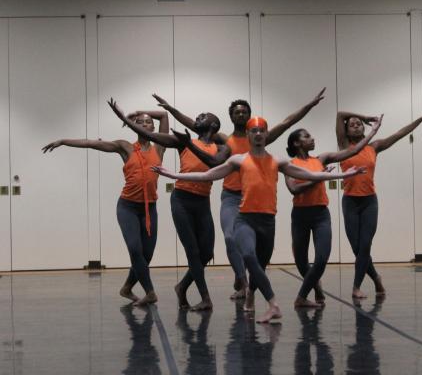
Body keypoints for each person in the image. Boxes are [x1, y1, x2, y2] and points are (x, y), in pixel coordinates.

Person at [152, 116, 366, 323]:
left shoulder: (277, 161)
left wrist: (342, 176)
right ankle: (273, 304)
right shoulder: (239, 160)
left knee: (260, 266)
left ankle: (251, 293)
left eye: (262, 131)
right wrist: (175, 176)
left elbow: (313, 175)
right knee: (249, 256)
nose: (258, 134)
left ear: (266, 134)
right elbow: (208, 175)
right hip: (245, 219)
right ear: (248, 134)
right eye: (253, 131)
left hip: (267, 222)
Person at [154, 89, 327, 299]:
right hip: (231, 197)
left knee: (255, 248)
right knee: (229, 237)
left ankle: (249, 284)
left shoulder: (259, 136)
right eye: (237, 112)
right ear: (231, 117)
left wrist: (309, 105)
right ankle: (242, 281)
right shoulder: (224, 140)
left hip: (254, 200)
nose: (241, 114)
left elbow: (287, 122)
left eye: (245, 112)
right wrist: (171, 109)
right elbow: (194, 125)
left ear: (249, 117)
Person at [42, 108, 169, 306]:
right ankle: (150, 292)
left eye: (147, 122)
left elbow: (164, 115)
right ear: (134, 126)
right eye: (140, 122)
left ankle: (126, 288)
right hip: (127, 207)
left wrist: (138, 111)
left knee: (147, 255)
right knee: (135, 250)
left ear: (153, 127)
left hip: (149, 208)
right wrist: (63, 141)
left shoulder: (160, 147)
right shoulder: (125, 147)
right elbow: (93, 144)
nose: (145, 124)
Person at [108, 98, 223, 311]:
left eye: (202, 116)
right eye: (196, 116)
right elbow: (152, 135)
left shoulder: (221, 146)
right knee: (193, 252)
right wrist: (125, 117)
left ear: (214, 125)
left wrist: (187, 136)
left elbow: (214, 163)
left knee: (206, 252)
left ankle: (182, 286)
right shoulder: (181, 141)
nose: (197, 117)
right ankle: (205, 297)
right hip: (182, 199)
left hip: (203, 202)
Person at [336, 109, 422, 299]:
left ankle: (356, 287)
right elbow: (340, 114)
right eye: (352, 124)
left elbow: (399, 134)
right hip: (350, 201)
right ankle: (375, 277)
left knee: (365, 245)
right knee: (357, 248)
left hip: (369, 202)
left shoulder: (374, 147)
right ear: (346, 131)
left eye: (359, 123)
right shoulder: (343, 146)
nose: (356, 126)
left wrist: (420, 120)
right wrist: (365, 116)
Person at [285, 116, 382, 308]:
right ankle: (317, 288)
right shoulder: (289, 165)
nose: (312, 138)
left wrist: (372, 132)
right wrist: (319, 177)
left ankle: (301, 297)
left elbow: (353, 150)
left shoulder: (321, 159)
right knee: (301, 261)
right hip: (300, 216)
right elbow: (294, 189)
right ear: (297, 143)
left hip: (321, 214)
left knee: (321, 259)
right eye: (307, 136)